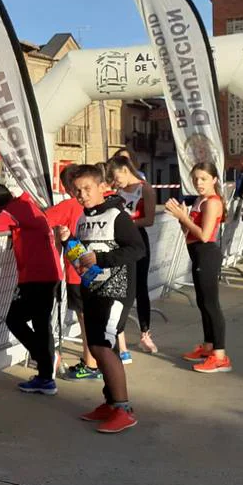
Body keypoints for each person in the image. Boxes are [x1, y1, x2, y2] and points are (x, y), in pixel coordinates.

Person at [55, 164, 146, 433]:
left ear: (101, 187)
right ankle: (110, 402)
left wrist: (103, 259)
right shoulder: (82, 219)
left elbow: (137, 249)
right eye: (76, 190)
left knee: (104, 347)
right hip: (91, 289)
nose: (82, 195)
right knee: (96, 348)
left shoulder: (117, 216)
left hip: (116, 291)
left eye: (87, 189)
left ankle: (123, 409)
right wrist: (69, 240)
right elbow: (84, 256)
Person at [0, 183, 63, 395]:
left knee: (15, 319)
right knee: (40, 323)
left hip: (36, 276)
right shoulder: (27, 205)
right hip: (47, 273)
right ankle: (46, 372)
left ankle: (45, 361)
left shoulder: (15, 210)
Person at [165, 162, 231, 373]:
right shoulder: (200, 200)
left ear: (214, 179)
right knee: (203, 302)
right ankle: (208, 347)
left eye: (203, 178)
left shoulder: (212, 202)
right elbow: (189, 232)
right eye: (195, 179)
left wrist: (184, 217)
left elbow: (204, 234)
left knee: (211, 304)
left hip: (207, 255)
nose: (199, 183)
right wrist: (181, 218)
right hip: (197, 254)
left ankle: (220, 356)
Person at [44, 166, 99, 380]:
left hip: (79, 271)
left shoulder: (69, 205)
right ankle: (100, 360)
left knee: (86, 320)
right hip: (98, 269)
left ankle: (91, 363)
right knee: (96, 318)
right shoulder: (98, 205)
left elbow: (43, 220)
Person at [109, 154, 158, 354]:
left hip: (137, 238)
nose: (115, 181)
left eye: (116, 176)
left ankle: (145, 333)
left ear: (125, 170)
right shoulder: (119, 190)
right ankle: (116, 333)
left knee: (140, 288)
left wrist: (127, 224)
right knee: (121, 287)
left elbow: (149, 219)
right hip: (119, 241)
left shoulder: (145, 188)